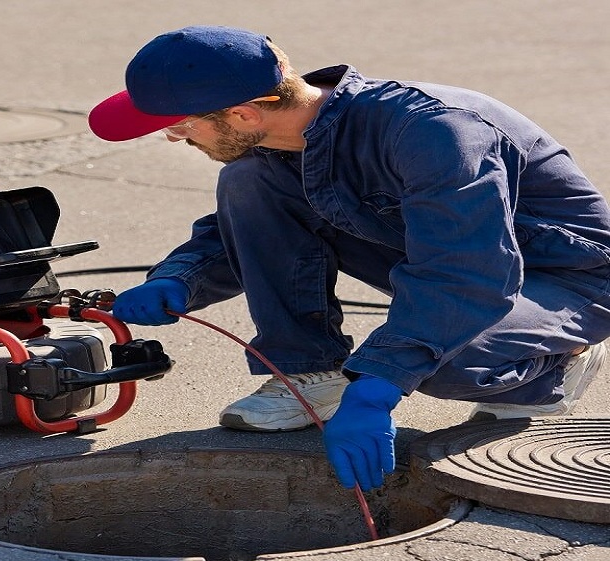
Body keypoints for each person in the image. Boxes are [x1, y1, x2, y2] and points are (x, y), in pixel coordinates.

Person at [88, 25, 610, 491]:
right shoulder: (292, 134)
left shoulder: (433, 132)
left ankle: (554, 364)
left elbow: (465, 274)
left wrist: (377, 385)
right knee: (248, 179)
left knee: (439, 364)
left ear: (243, 113)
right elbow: (252, 230)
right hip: (447, 252)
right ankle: (311, 375)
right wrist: (181, 281)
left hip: (567, 276)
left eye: (179, 125)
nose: (172, 137)